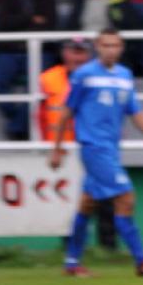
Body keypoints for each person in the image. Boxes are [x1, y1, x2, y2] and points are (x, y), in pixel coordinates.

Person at [49, 28, 143, 277]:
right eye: (106, 45)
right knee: (126, 198)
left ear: (121, 48)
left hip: (111, 149)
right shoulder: (84, 75)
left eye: (115, 45)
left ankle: (72, 263)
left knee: (87, 204)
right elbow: (65, 113)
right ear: (97, 47)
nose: (110, 50)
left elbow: (135, 110)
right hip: (94, 148)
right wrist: (57, 148)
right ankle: (142, 261)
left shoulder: (125, 76)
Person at [39, 36, 117, 250]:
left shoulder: (101, 76)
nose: (77, 56)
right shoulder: (48, 78)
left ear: (89, 54)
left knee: (104, 198)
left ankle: (107, 248)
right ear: (65, 53)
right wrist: (49, 146)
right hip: (63, 149)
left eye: (81, 51)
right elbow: (39, 115)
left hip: (92, 146)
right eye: (73, 51)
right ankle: (70, 248)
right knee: (67, 201)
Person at [0, 0, 56, 139]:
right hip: (11, 50)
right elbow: (3, 24)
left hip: (40, 51)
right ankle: (19, 121)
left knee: (39, 85)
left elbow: (49, 26)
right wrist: (31, 18)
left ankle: (16, 127)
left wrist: (18, 22)